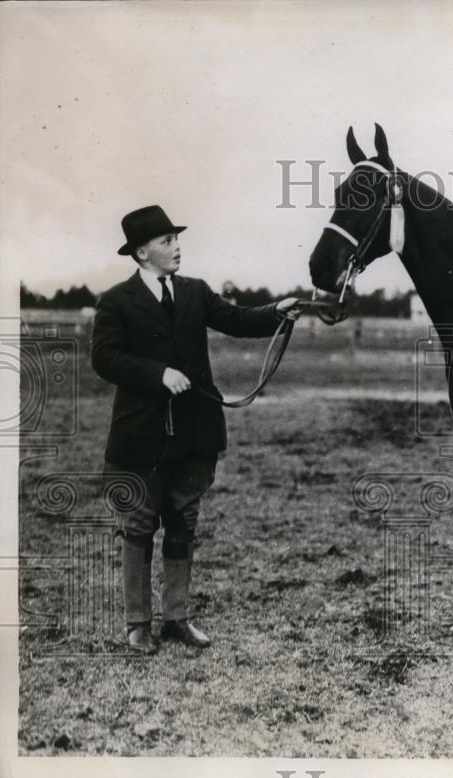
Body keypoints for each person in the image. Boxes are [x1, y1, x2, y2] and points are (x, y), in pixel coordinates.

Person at [92, 205, 300, 654]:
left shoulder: (195, 292)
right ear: (142, 252)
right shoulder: (115, 302)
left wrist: (276, 312)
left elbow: (237, 320)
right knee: (139, 526)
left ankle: (177, 619)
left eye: (176, 239)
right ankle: (137, 624)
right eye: (166, 241)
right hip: (141, 436)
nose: (176, 246)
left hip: (193, 432)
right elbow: (104, 359)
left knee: (184, 522)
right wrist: (158, 373)